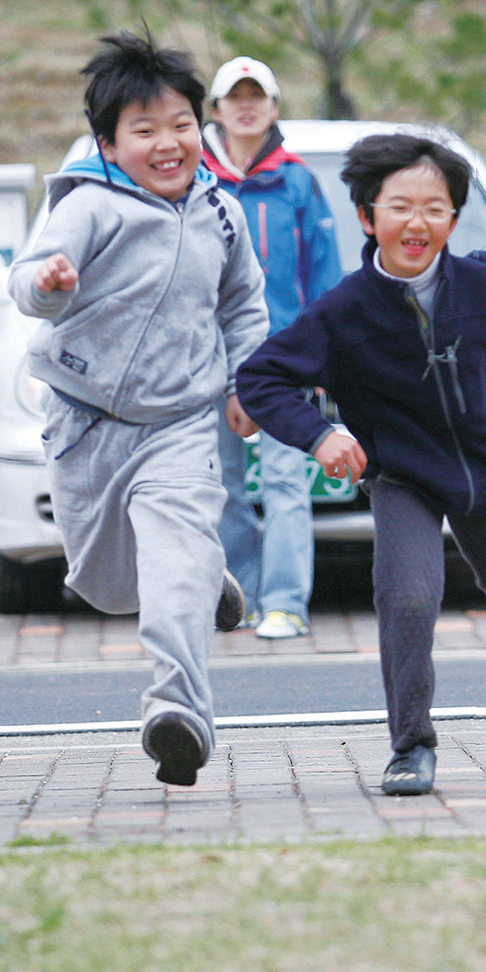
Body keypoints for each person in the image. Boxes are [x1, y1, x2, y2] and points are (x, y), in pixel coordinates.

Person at [237, 133, 486, 796]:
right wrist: (318, 437)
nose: (417, 223)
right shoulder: (341, 313)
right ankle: (411, 746)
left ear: (452, 218)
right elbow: (261, 378)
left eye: (435, 208)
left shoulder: (484, 278)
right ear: (368, 217)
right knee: (409, 597)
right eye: (400, 207)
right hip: (403, 477)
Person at [8, 31, 268, 787]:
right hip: (85, 420)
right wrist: (50, 285)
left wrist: (246, 383)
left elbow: (245, 308)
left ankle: (177, 712)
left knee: (173, 561)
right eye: (144, 130)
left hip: (181, 424)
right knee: (107, 584)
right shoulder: (88, 206)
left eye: (181, 125)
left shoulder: (223, 215)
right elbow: (26, 280)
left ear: (203, 128)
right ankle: (202, 575)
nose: (168, 144)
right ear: (108, 141)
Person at [202, 57, 343, 641]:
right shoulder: (194, 181)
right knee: (221, 485)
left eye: (256, 96)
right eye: (233, 97)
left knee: (286, 483)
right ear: (215, 111)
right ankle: (241, 596)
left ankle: (285, 602)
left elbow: (325, 277)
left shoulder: (299, 181)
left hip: (283, 363)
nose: (245, 106)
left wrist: (323, 356)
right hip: (207, 361)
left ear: (275, 107)